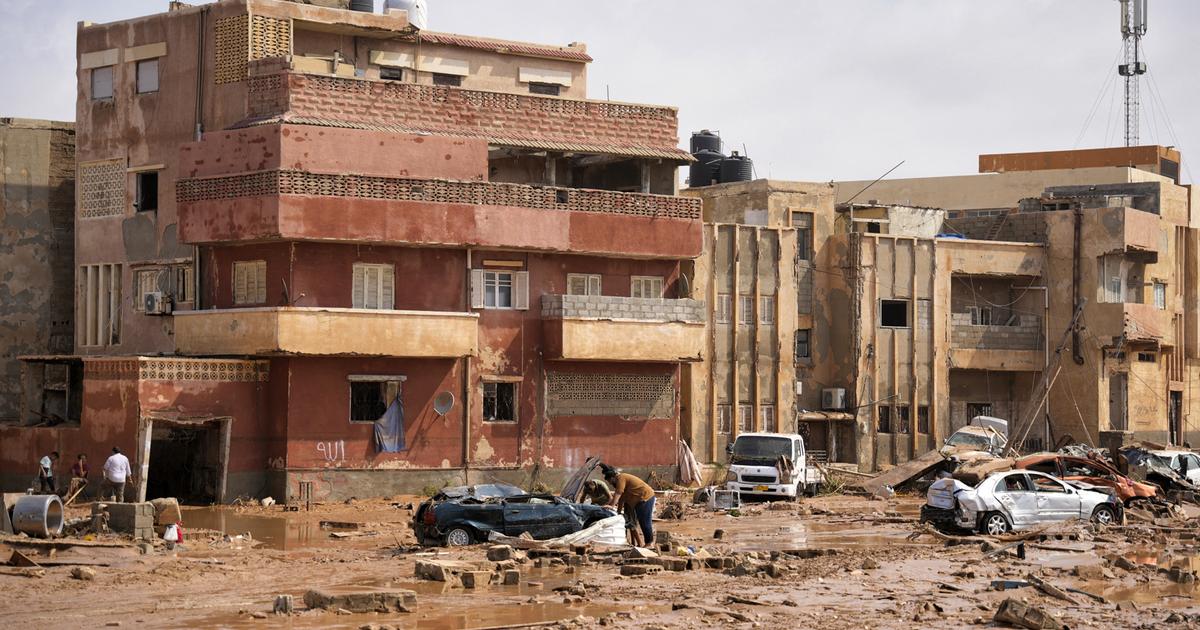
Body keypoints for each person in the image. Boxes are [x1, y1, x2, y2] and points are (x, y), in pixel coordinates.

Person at [603, 464, 656, 547]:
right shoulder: (620, 481)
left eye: (609, 481)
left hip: (645, 497)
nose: (610, 483)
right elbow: (621, 499)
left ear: (612, 477)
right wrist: (618, 512)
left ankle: (649, 543)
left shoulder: (621, 478)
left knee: (645, 521)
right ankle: (644, 543)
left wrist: (612, 506)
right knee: (637, 522)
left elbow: (618, 493)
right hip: (637, 501)